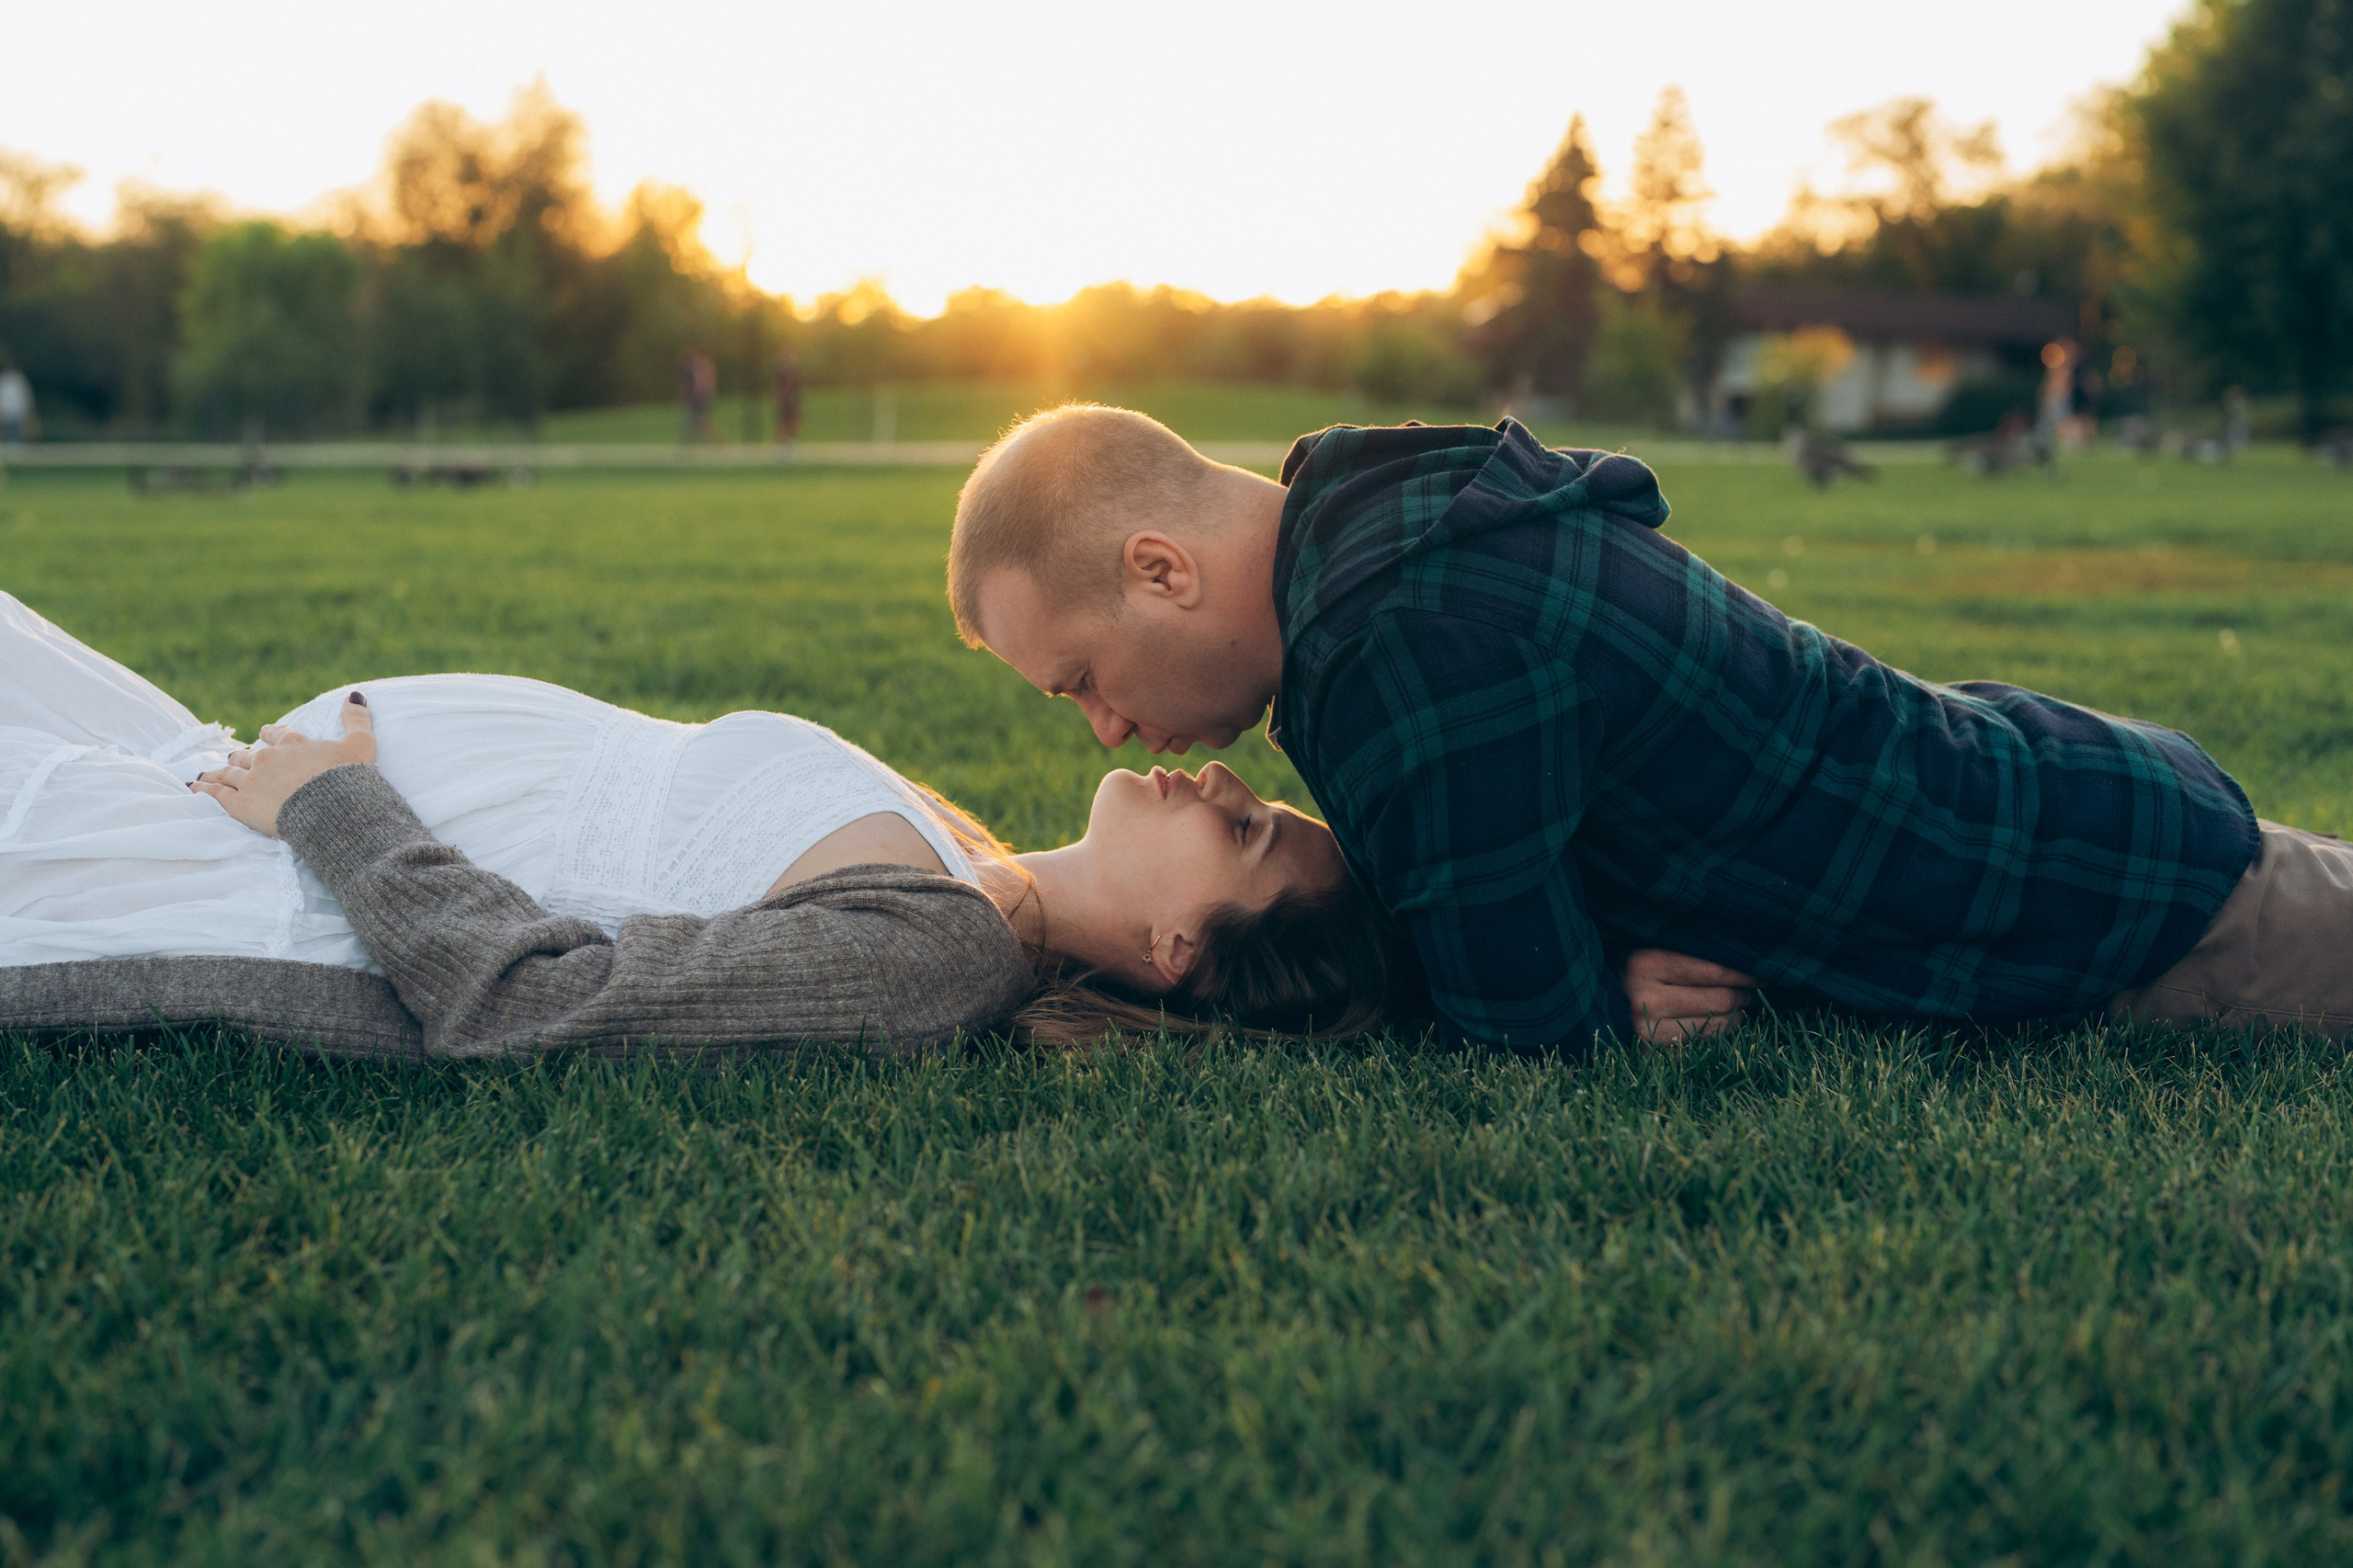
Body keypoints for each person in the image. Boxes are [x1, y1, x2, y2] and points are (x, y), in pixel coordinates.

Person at [949, 405, 2351, 1049]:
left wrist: (1585, 989)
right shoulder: (1369, 512)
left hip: (2126, 900)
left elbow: (1523, 1026)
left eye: (1079, 676)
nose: (1103, 727)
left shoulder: (1394, 640)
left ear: (1159, 568)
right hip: (2076, 795)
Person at [0, 591, 1392, 1056]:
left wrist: (333, 802)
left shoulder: (939, 963)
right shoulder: (956, 859)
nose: (1221, 782)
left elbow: (537, 1003)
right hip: (217, 795)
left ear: (1177, 952)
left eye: (1250, 833)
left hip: (230, 889)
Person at [0, 369, 33, 448]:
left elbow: (24, 399)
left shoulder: (19, 382)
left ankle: (15, 449)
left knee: (16, 433)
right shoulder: (5, 381)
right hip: (8, 413)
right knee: (8, 433)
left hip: (16, 413)